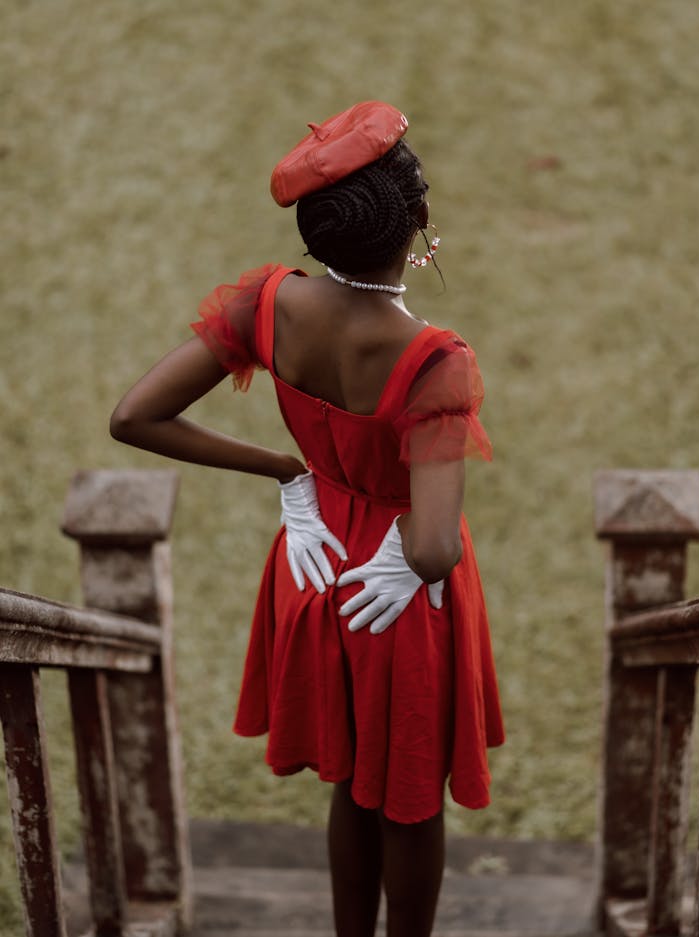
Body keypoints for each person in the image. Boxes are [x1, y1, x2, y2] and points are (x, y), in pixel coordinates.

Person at [110, 101, 504, 937]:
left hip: (314, 560)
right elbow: (431, 545)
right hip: (391, 592)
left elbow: (135, 415)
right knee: (407, 799)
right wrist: (412, 561)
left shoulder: (268, 301)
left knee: (352, 780)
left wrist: (287, 470)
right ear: (419, 224)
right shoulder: (435, 360)